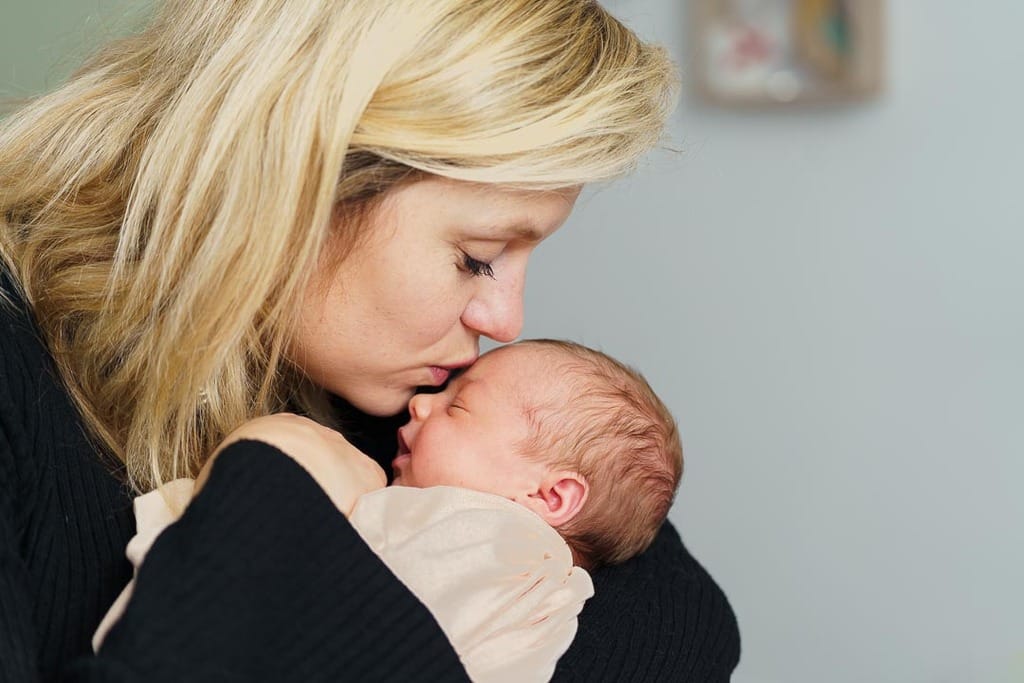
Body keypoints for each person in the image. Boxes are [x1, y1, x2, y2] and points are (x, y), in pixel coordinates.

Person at [0, 0, 740, 681]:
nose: (506, 320)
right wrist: (270, 495)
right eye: (477, 255)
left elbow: (683, 627)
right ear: (295, 181)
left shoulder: (394, 392)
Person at [92, 339, 684, 681]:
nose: (423, 405)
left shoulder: (489, 540)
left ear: (549, 497)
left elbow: (318, 579)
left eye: (459, 408)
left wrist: (275, 479)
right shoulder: (550, 588)